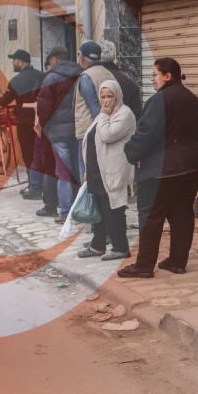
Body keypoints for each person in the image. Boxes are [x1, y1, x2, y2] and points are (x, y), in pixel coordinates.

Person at [117, 58, 198, 278]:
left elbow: (146, 134)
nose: (152, 79)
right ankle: (177, 261)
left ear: (167, 76)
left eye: (155, 75)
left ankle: (144, 265)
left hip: (163, 168)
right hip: (191, 164)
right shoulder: (193, 99)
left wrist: (131, 152)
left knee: (151, 215)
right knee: (182, 212)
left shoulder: (159, 100)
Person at [77, 80, 136, 261]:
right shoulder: (104, 114)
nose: (106, 101)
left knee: (114, 210)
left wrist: (103, 114)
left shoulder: (124, 114)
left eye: (109, 96)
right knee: (99, 211)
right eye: (102, 97)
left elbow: (108, 135)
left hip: (112, 170)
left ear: (117, 96)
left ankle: (120, 247)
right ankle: (98, 245)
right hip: (97, 170)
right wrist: (88, 168)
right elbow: (91, 137)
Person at [36, 47, 82, 223]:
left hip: (58, 132)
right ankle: (79, 209)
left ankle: (65, 211)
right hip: (78, 129)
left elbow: (44, 108)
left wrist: (47, 128)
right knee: (78, 170)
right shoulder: (81, 74)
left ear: (54, 60)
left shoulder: (52, 78)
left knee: (63, 171)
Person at [0, 49, 44, 199]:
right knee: (41, 153)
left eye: (14, 60)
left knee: (28, 154)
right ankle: (41, 185)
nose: (13, 63)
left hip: (25, 122)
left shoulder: (16, 81)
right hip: (42, 120)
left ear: (21, 61)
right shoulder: (42, 76)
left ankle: (34, 186)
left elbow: (4, 101)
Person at [75, 41, 115, 176]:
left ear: (82, 57)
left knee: (87, 178)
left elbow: (94, 108)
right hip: (109, 130)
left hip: (89, 134)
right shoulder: (109, 74)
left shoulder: (86, 77)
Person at [32, 56, 59, 218]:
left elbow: (41, 105)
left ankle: (50, 205)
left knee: (49, 167)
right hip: (69, 130)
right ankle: (66, 204)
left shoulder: (46, 79)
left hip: (49, 130)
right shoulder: (75, 76)